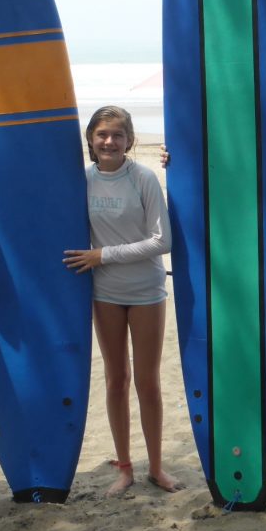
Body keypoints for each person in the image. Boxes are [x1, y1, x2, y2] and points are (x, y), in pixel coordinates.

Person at [63, 106, 183, 497]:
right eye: (102, 135)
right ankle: (126, 468)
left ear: (130, 140)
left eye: (117, 135)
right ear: (91, 141)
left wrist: (103, 255)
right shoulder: (80, 181)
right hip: (104, 293)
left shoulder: (144, 178)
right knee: (116, 380)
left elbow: (162, 241)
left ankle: (156, 467)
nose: (109, 142)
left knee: (147, 382)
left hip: (146, 292)